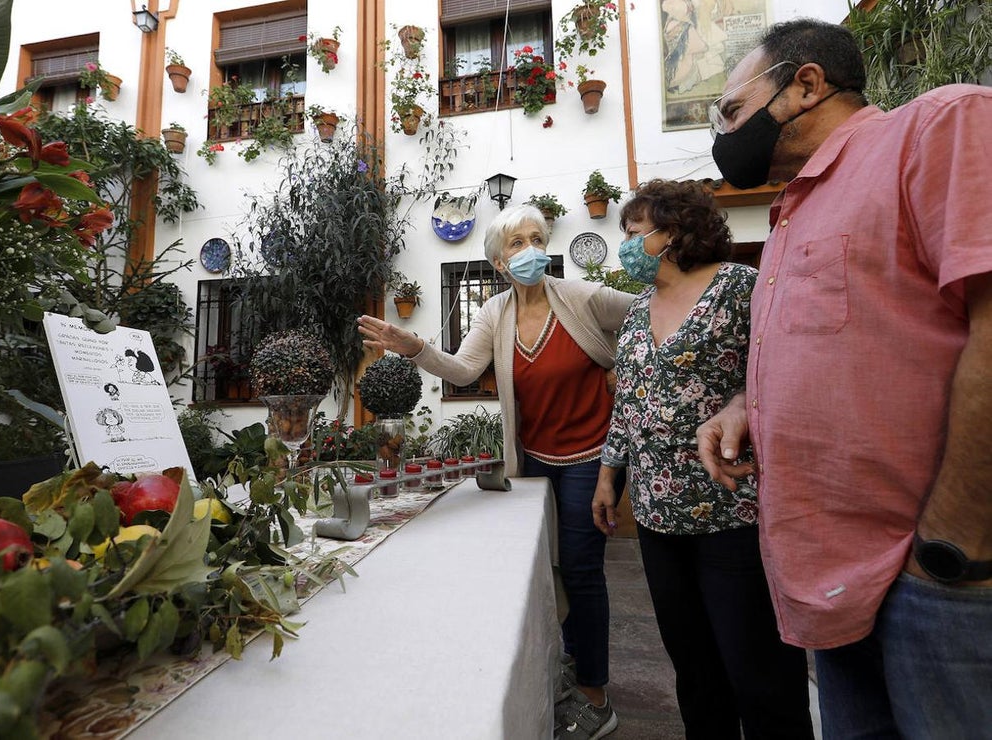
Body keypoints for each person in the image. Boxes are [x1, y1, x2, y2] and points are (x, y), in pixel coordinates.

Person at [697, 18, 992, 737]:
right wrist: (746, 404)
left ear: (805, 85)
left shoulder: (936, 126)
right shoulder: (795, 207)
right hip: (830, 584)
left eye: (731, 111)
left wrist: (950, 545)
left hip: (933, 579)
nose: (724, 134)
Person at [357, 204, 634, 738]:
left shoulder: (581, 298)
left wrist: (626, 370)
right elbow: (463, 368)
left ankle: (596, 696)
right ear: (499, 263)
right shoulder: (495, 312)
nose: (530, 249)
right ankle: (566, 663)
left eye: (536, 238)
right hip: (531, 458)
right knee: (544, 568)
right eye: (516, 243)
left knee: (580, 568)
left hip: (589, 459)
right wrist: (414, 347)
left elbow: (649, 315)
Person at [590, 179, 812, 739]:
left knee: (758, 669)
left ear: (674, 231)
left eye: (636, 232)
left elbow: (779, 372)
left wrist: (741, 405)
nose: (628, 245)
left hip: (731, 513)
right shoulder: (638, 311)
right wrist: (607, 476)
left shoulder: (740, 286)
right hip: (658, 519)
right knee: (692, 669)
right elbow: (628, 405)